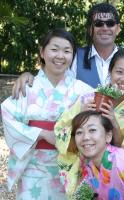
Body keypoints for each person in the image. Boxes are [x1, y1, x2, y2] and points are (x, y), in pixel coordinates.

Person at [1, 28, 94, 199]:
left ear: (73, 55)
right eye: (54, 49)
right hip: (34, 166)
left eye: (67, 51)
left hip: (71, 166)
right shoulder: (27, 87)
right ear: (42, 52)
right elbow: (7, 115)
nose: (60, 56)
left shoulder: (84, 91)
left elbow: (96, 124)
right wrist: (42, 133)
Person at [55, 48, 124, 196]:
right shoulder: (88, 99)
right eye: (119, 72)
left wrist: (114, 123)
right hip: (85, 172)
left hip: (119, 178)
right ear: (110, 72)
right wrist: (80, 116)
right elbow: (60, 130)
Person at [11, 2, 120, 98]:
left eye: (110, 23)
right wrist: (27, 76)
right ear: (89, 29)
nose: (105, 28)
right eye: (98, 24)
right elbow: (52, 81)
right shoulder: (74, 57)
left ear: (118, 28)